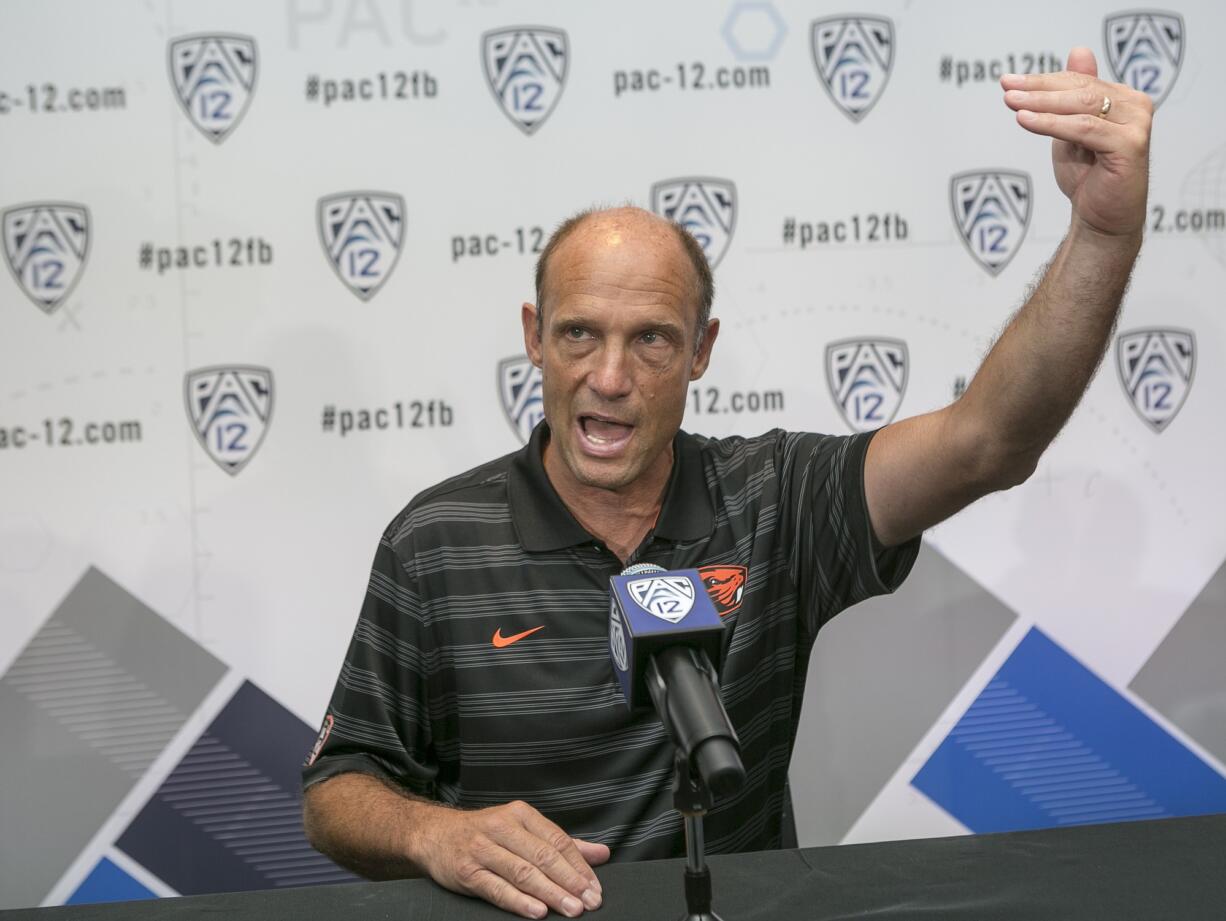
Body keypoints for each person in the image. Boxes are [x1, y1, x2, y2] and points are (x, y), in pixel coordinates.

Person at [302, 48, 1152, 919]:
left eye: (653, 340)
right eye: (580, 334)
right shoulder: (436, 540)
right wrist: (433, 833)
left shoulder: (775, 496)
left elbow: (988, 442)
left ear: (702, 350)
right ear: (534, 337)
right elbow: (337, 785)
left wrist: (1103, 232)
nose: (608, 375)